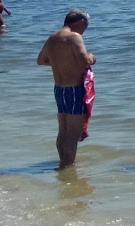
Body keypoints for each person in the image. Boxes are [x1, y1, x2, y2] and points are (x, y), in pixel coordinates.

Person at [37, 10, 95, 167]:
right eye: (86, 26)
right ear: (79, 22)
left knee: (63, 131)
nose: (85, 30)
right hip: (75, 90)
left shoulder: (53, 38)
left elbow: (41, 60)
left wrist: (61, 62)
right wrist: (92, 57)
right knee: (73, 134)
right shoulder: (74, 37)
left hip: (59, 89)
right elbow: (84, 61)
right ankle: (68, 168)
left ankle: (63, 162)